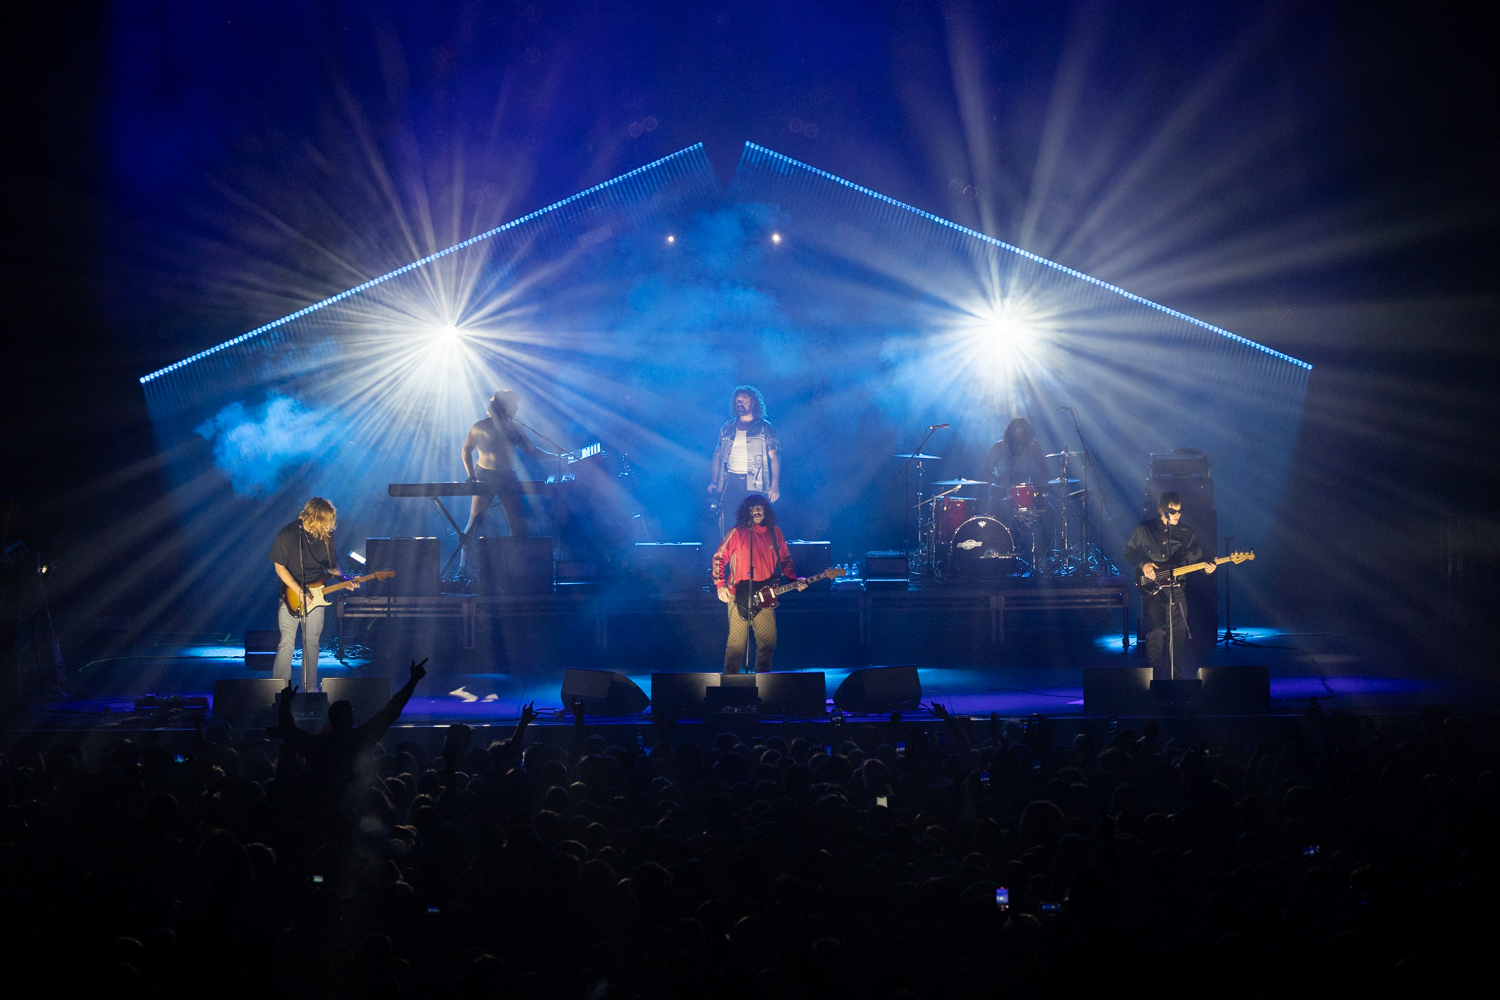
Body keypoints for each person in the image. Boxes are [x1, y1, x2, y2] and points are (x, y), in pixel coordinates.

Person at [460, 390, 558, 570]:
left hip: (507, 477)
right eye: (515, 405)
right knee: (474, 523)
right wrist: (471, 477)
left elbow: (533, 451)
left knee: (517, 525)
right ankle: (462, 568)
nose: (517, 409)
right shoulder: (481, 426)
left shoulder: (515, 428)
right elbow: (466, 450)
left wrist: (557, 456)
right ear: (504, 406)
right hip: (484, 477)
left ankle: (518, 570)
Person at [1123, 491, 1215, 679]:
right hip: (1153, 592)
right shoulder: (1144, 529)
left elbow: (1198, 561)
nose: (1178, 515)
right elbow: (1128, 553)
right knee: (1155, 635)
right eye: (1173, 511)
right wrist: (1144, 563)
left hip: (1178, 591)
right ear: (1161, 510)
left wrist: (1207, 569)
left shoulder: (1185, 533)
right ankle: (1154, 681)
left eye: (1180, 511)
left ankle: (1175, 680)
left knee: (1178, 635)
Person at [270, 497, 357, 693]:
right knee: (287, 642)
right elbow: (279, 566)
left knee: (312, 643)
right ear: (316, 517)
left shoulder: (326, 536)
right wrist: (298, 590)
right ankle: (278, 689)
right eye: (326, 520)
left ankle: (310, 688)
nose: (329, 525)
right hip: (291, 595)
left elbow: (331, 566)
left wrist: (344, 580)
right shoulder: (288, 533)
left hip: (317, 596)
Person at [711, 495, 806, 674]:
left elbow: (785, 559)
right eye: (752, 508)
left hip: (766, 595)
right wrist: (720, 584)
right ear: (746, 512)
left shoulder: (775, 532)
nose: (756, 511)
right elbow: (719, 557)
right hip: (737, 594)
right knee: (736, 646)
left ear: (766, 510)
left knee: (768, 642)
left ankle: (762, 684)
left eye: (760, 507)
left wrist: (794, 578)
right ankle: (729, 689)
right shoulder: (737, 532)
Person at [977, 417, 1054, 573]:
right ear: (1009, 435)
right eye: (1015, 435)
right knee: (992, 515)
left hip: (1026, 494)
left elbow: (1045, 470)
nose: (1018, 439)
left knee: (1050, 512)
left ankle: (1046, 556)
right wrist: (998, 480)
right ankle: (997, 556)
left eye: (1022, 435)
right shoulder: (999, 448)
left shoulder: (1034, 448)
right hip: (1001, 493)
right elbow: (985, 471)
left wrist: (1040, 480)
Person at [707, 386, 781, 537]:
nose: (740, 403)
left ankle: (755, 559)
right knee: (730, 524)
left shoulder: (765, 428)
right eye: (737, 400)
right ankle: (732, 559)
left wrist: (774, 485)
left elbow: (774, 457)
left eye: (744, 400)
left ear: (753, 402)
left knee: (756, 526)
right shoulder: (728, 427)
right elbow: (718, 455)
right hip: (731, 481)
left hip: (756, 483)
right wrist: (715, 482)